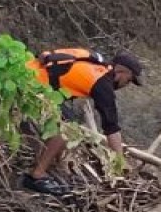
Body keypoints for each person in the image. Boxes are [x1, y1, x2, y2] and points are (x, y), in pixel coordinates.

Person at [23, 48, 144, 196]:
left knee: (67, 118)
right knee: (68, 126)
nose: (126, 85)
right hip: (32, 87)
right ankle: (37, 175)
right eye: (129, 80)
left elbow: (45, 54)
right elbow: (111, 128)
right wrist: (120, 163)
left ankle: (53, 164)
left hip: (22, 73)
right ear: (121, 71)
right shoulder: (102, 83)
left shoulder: (91, 58)